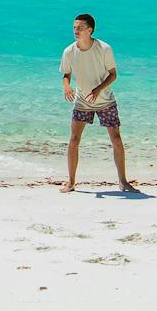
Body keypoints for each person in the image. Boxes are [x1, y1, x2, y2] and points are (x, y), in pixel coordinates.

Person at [60, 12, 134, 193]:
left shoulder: (104, 48)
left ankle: (123, 182)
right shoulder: (69, 51)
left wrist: (98, 89)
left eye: (80, 28)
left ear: (90, 30)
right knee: (74, 140)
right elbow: (66, 74)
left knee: (116, 139)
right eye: (74, 28)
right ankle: (71, 182)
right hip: (82, 101)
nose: (76, 31)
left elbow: (113, 74)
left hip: (105, 100)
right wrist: (67, 87)